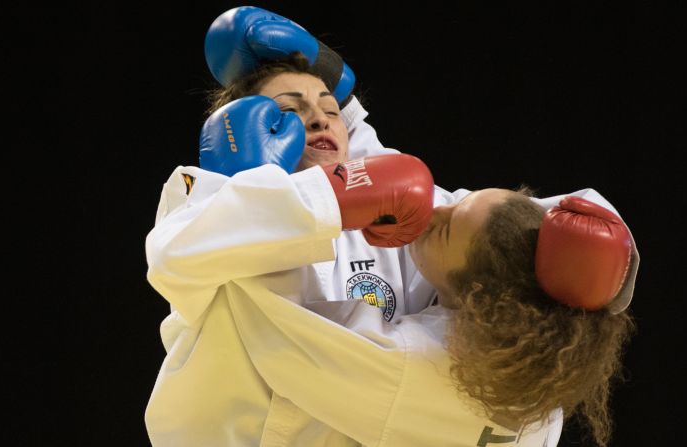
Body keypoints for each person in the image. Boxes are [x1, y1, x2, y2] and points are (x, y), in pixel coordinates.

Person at [144, 7, 639, 447]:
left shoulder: (422, 363)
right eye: (289, 113)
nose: (433, 211)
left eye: (329, 110)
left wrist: (245, 188)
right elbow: (519, 230)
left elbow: (269, 318)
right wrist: (335, 90)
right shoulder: (460, 252)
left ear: (484, 296)